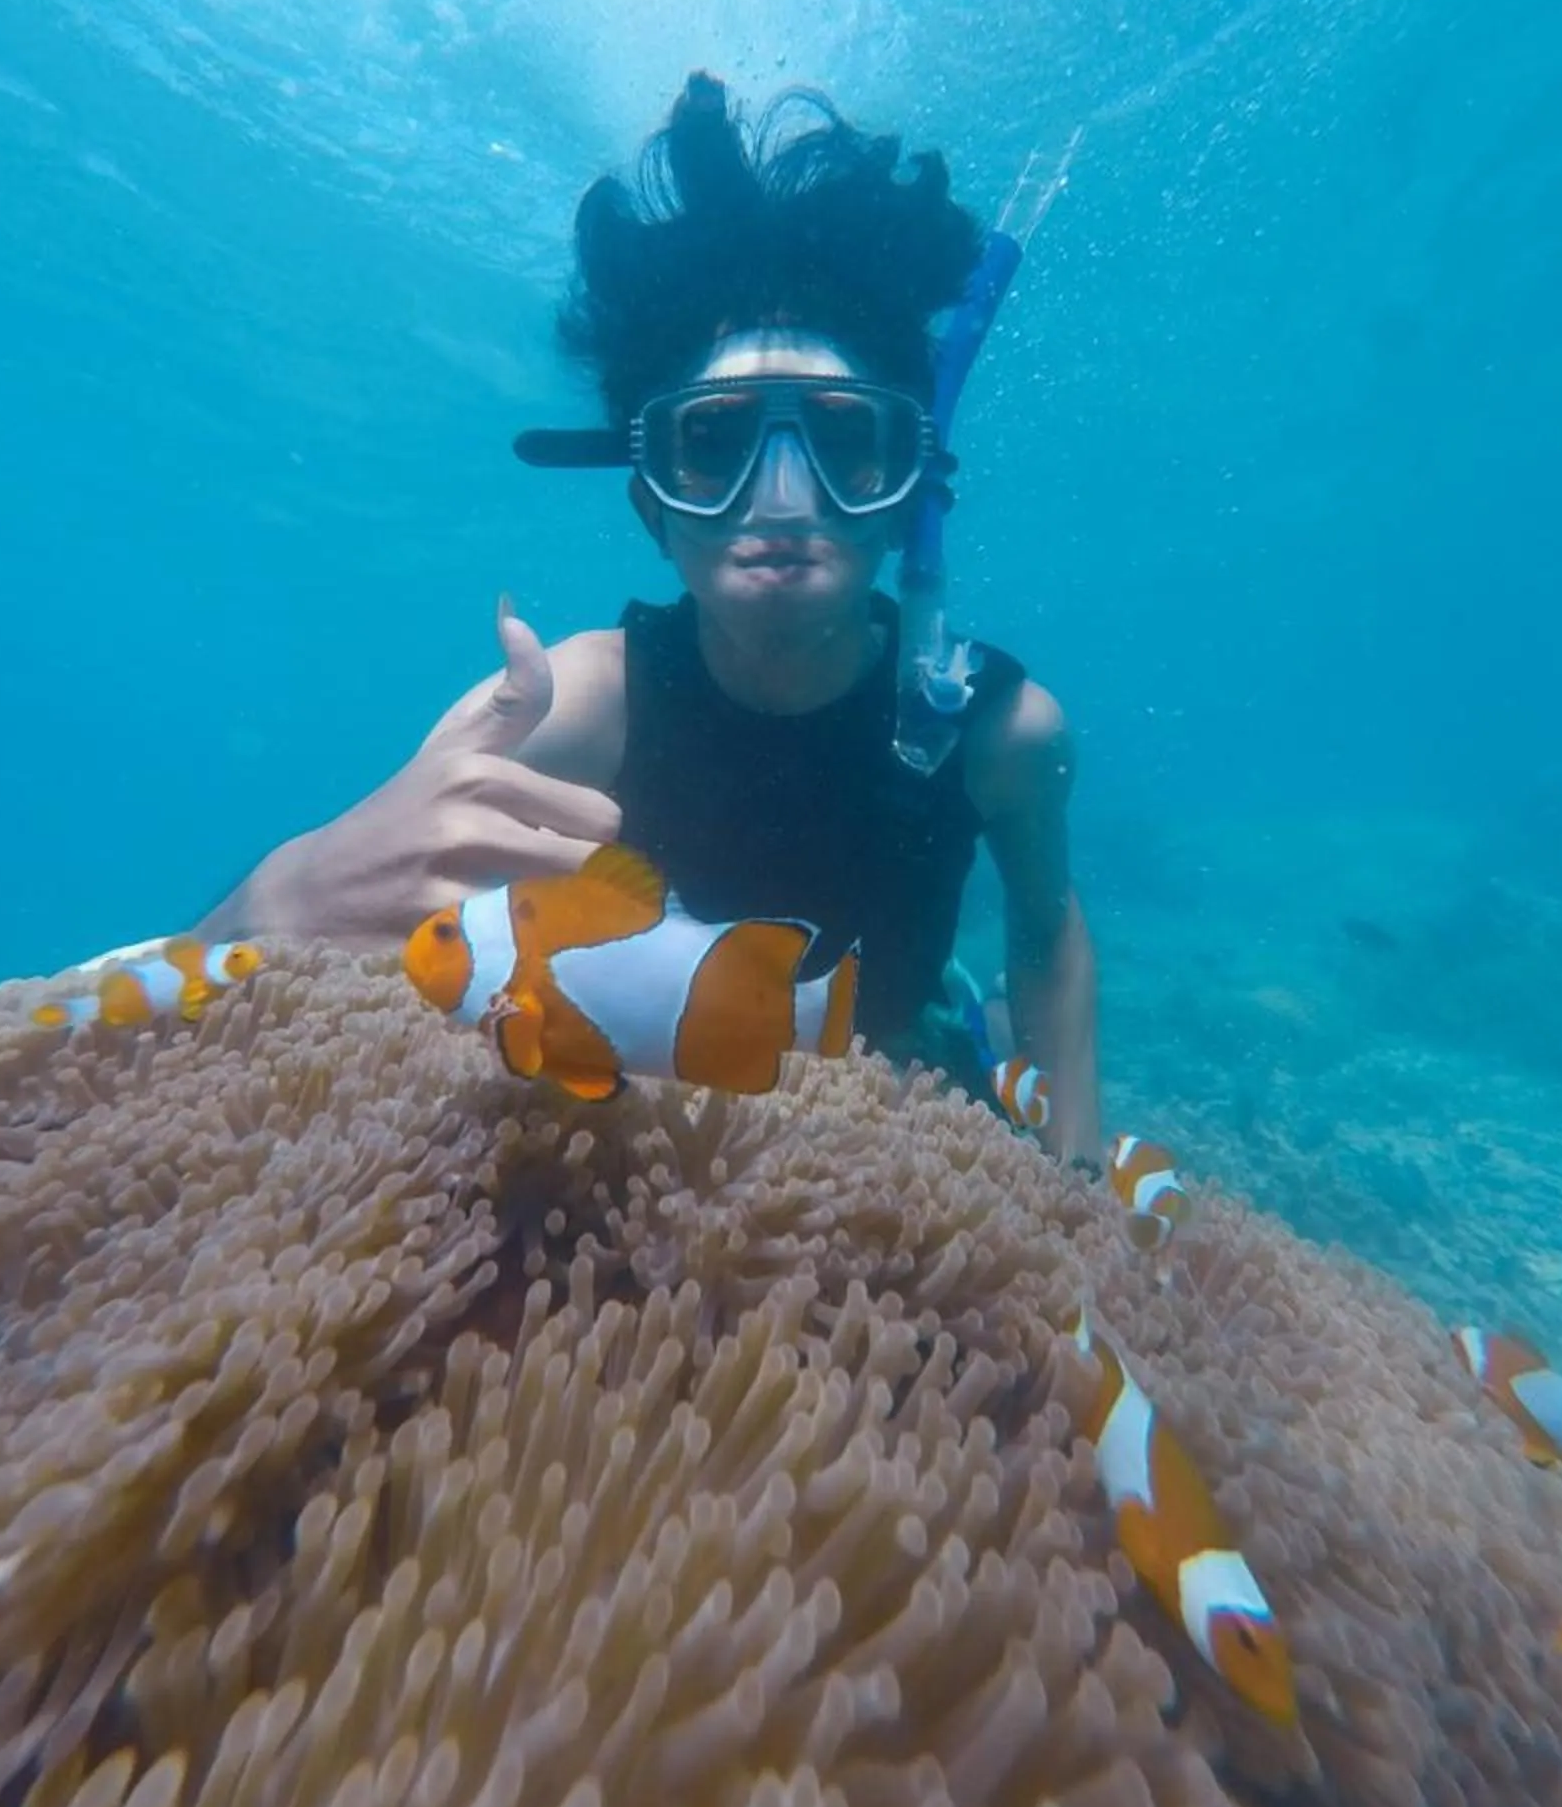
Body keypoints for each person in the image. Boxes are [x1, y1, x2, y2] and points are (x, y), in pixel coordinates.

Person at [199, 72, 1098, 1164]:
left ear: (910, 489)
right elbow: (383, 918)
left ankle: (958, 1015)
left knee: (947, 1027)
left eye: (845, 442)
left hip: (899, 1053)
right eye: (713, 446)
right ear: (650, 505)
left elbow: (1047, 939)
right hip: (633, 1075)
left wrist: (1080, 1174)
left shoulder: (1000, 732)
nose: (781, 499)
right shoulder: (575, 704)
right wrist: (273, 899)